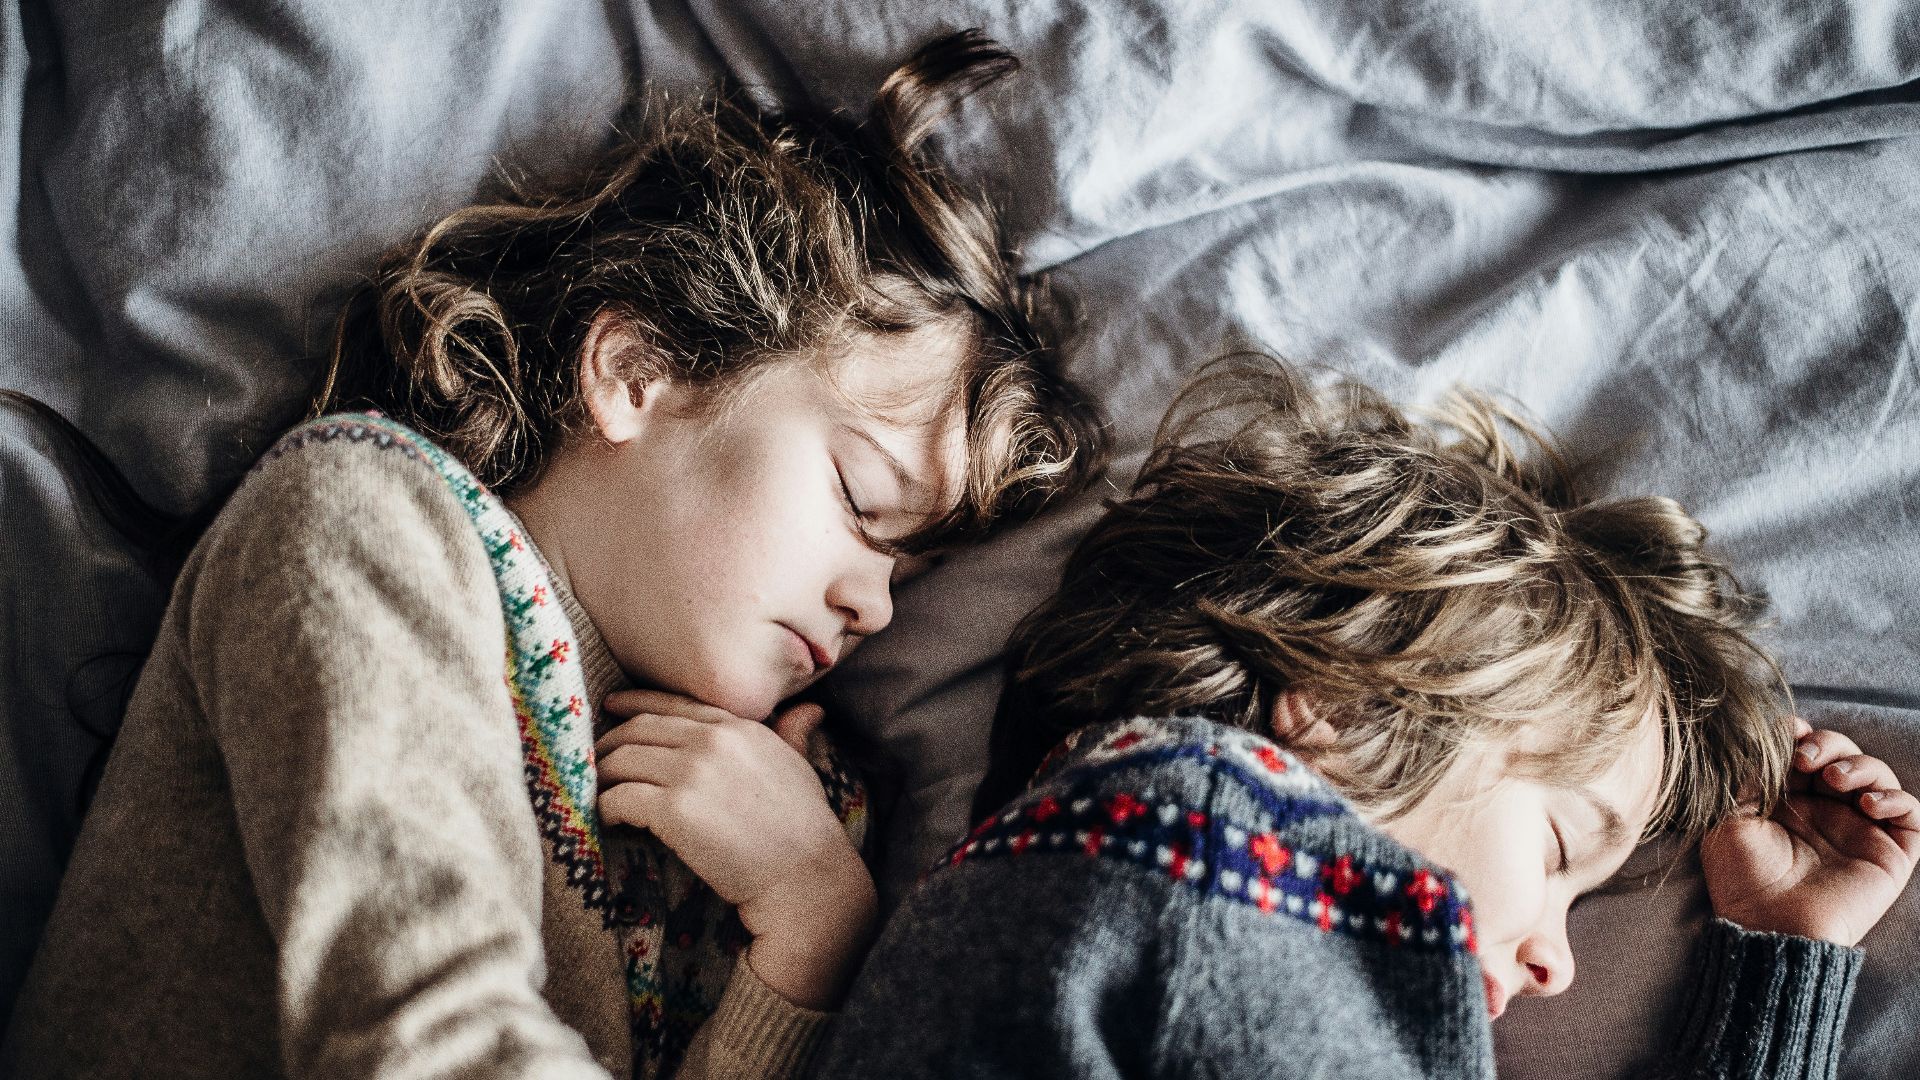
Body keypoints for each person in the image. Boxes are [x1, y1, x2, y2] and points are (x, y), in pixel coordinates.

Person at [1, 31, 1102, 1080]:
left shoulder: (768, 816)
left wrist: (813, 933)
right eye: (863, 503)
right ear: (634, 372)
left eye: (910, 575)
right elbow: (423, 1039)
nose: (876, 609)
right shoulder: (365, 523)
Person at [816, 360, 1917, 1079]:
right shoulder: (1192, 856)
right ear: (1345, 709)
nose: (1556, 966)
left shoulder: (1162, 884)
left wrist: (1785, 956)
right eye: (1556, 847)